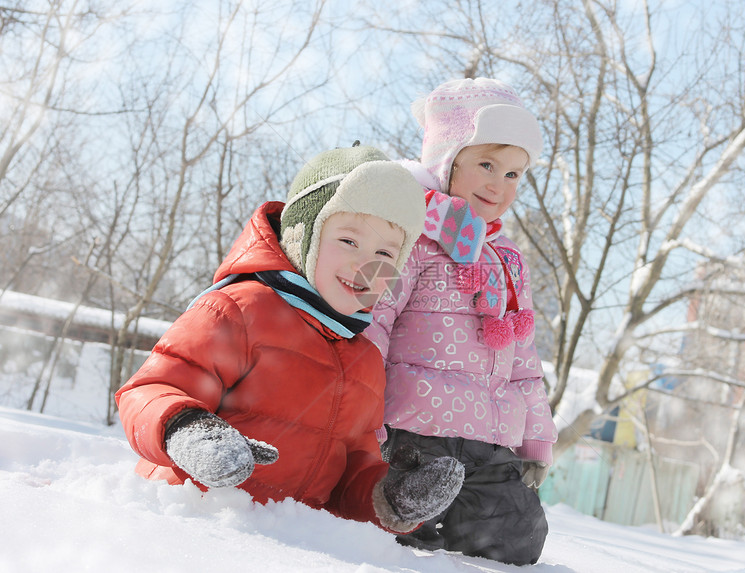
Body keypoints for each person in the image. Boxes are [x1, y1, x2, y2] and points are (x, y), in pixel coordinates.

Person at [115, 144, 465, 535]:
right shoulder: (240, 309)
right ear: (303, 235)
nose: (365, 265)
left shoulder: (365, 359)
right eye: (348, 241)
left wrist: (390, 496)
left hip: (281, 547)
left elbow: (348, 477)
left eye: (385, 252)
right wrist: (190, 430)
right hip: (191, 525)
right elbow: (150, 389)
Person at [365, 78, 558, 565]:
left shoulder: (507, 260)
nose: (500, 184)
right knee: (407, 543)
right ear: (447, 160)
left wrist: (536, 438)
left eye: (515, 174)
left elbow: (524, 358)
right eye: (487, 165)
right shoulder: (406, 234)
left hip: (491, 442)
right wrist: (362, 419)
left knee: (517, 538)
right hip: (414, 435)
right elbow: (372, 324)